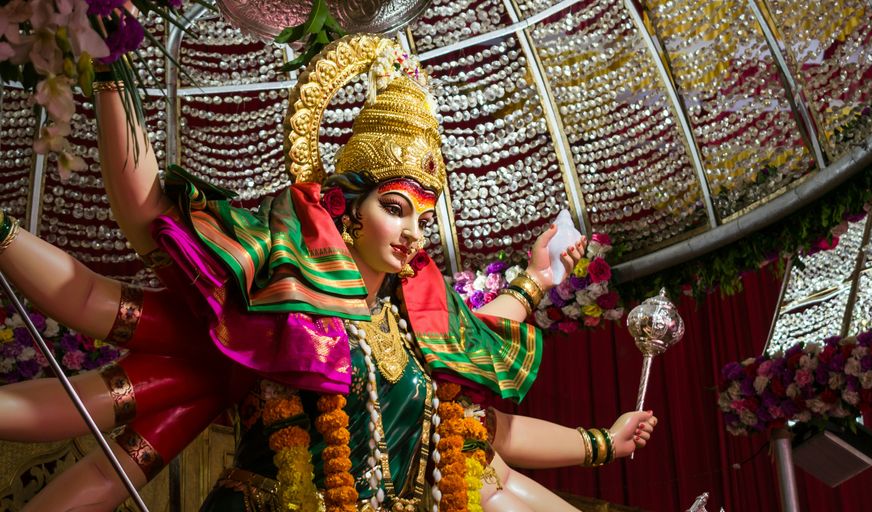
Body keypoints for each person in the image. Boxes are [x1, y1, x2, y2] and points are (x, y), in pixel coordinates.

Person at [0, 35, 657, 511]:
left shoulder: (424, 328)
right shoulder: (279, 302)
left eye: (424, 220)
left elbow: (491, 445)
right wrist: (111, 58)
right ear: (345, 207)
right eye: (397, 210)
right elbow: (127, 244)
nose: (412, 234)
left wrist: (599, 439)